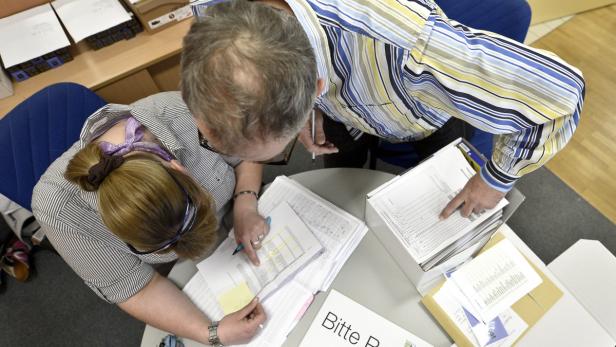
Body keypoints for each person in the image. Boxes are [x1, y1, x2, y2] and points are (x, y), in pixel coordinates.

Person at [184, 0, 585, 218]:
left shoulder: (407, 46)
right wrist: (306, 112)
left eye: (280, 150)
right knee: (347, 188)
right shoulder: (213, 9)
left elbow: (561, 96)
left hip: (416, 112)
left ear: (317, 87)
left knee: (441, 211)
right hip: (340, 106)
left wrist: (496, 179)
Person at [31, 96, 270, 346]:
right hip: (187, 274)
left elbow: (246, 153)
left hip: (242, 215)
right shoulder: (59, 211)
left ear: (178, 168)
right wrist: (210, 332)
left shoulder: (183, 113)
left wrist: (245, 204)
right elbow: (132, 286)